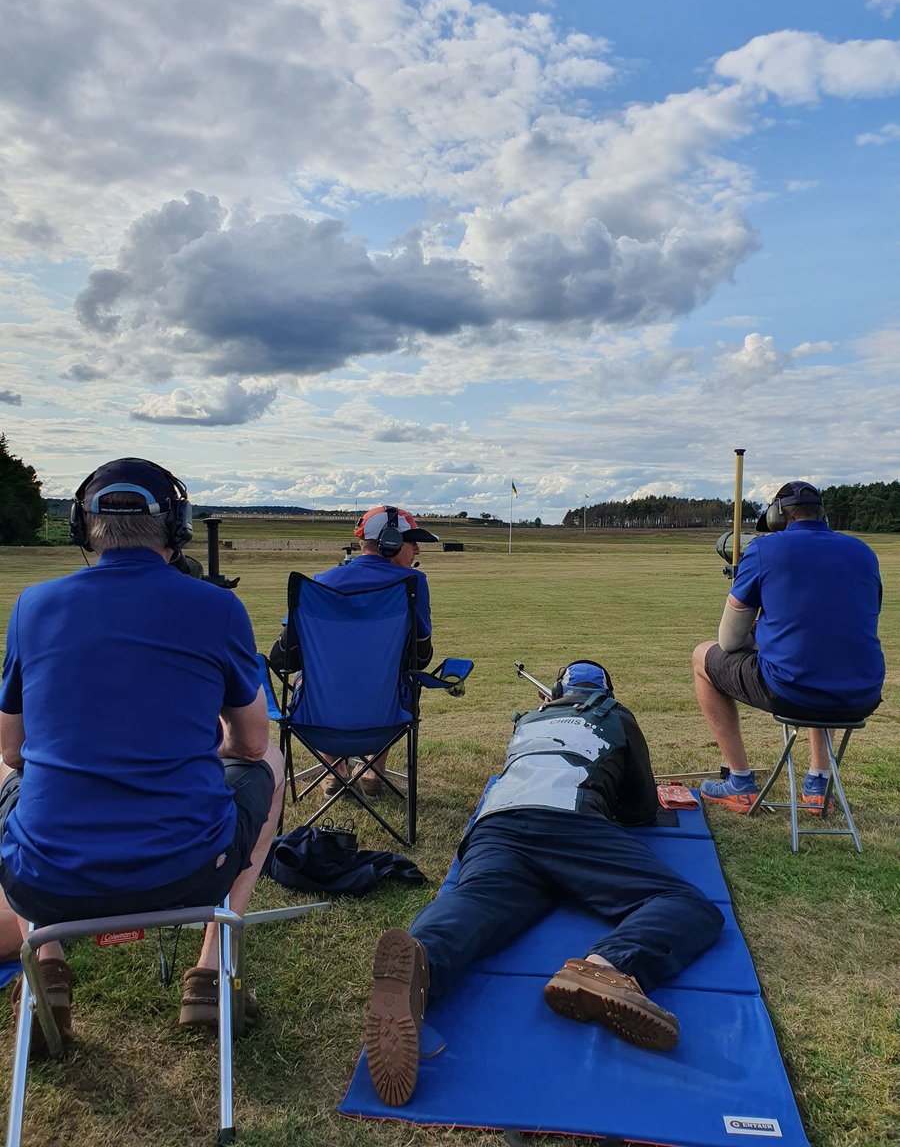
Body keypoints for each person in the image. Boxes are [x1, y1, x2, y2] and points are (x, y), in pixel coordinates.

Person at [0, 457, 284, 1050]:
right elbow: (252, 743)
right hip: (187, 873)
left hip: (46, 882)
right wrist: (214, 751)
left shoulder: (31, 607)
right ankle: (211, 970)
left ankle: (46, 963)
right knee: (273, 763)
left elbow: (13, 750)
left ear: (83, 528)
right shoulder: (217, 608)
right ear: (176, 527)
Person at [362, 662, 724, 1107]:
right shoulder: (616, 714)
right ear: (607, 689)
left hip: (494, 825)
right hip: (570, 821)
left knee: (477, 902)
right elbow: (641, 809)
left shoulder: (529, 721)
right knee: (684, 903)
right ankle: (605, 967)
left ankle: (424, 960)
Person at [693, 480, 885, 813]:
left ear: (779, 516)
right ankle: (817, 785)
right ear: (822, 513)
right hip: (862, 694)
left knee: (702, 656)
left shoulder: (765, 550)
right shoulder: (863, 552)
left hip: (793, 690)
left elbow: (729, 641)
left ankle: (739, 782)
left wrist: (761, 633)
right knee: (819, 660)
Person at [271, 505, 438, 798]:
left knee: (313, 676)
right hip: (385, 720)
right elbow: (420, 658)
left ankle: (334, 769)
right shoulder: (412, 584)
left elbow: (282, 656)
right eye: (412, 542)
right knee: (403, 680)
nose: (417, 551)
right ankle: (373, 771)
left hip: (317, 721)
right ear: (391, 541)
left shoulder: (319, 582)